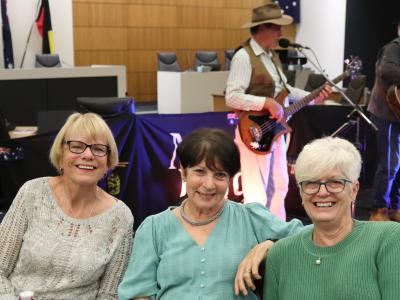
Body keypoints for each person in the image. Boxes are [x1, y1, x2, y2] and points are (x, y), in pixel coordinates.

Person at [118, 128, 304, 300]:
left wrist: (270, 245)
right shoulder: (154, 228)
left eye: (220, 175)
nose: (208, 184)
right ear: (183, 173)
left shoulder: (250, 217)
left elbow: (310, 236)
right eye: (199, 171)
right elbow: (139, 293)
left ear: (231, 179)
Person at [0, 112, 134, 299]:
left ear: (108, 161)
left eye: (98, 149)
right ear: (61, 154)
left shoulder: (120, 217)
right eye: (77, 147)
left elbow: (109, 294)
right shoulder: (32, 192)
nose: (88, 155)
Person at [225, 3, 331, 220]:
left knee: (280, 184)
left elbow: (285, 91)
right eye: (277, 28)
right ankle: (257, 240)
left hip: (274, 132)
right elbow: (232, 96)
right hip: (254, 132)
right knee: (257, 190)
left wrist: (312, 97)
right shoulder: (243, 57)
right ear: (262, 28)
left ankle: (277, 235)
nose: (281, 34)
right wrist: (265, 102)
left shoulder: (271, 56)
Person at [264, 137, 400, 299]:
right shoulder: (280, 253)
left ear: (354, 190)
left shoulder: (389, 239)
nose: (322, 192)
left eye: (335, 182)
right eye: (311, 183)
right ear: (301, 192)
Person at [368, 21, 400, 222]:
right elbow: (388, 71)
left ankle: (395, 207)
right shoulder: (393, 48)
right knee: (390, 164)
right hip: (387, 113)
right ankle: (378, 209)